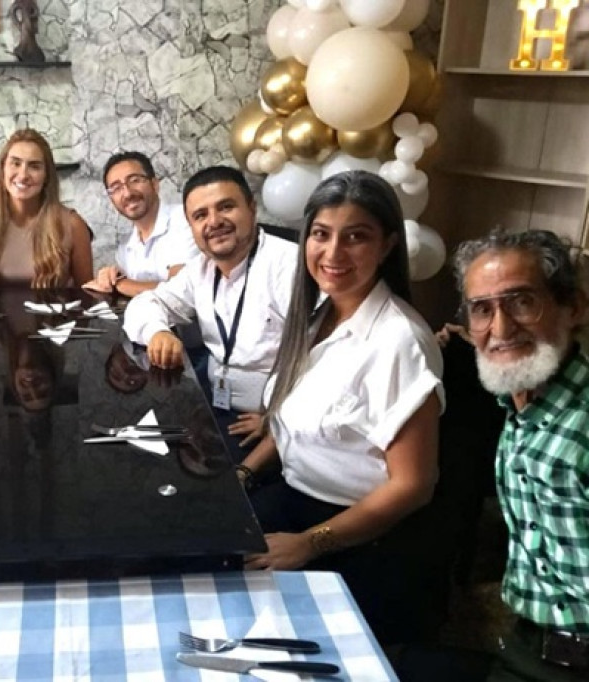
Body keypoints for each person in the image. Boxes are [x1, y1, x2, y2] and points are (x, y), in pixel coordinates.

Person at [240, 170, 444, 644]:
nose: (333, 254)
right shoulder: (320, 314)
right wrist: (245, 473)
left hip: (361, 539)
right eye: (321, 234)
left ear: (388, 245)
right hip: (293, 503)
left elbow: (414, 486)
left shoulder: (398, 341)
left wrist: (310, 545)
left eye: (356, 237)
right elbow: (299, 419)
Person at [453, 229, 588, 681]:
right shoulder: (520, 407)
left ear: (575, 307)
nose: (501, 328)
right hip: (530, 647)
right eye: (482, 310)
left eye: (522, 303)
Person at [122, 165, 296, 462]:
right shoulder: (200, 270)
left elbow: (322, 356)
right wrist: (158, 332)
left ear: (252, 209)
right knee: (137, 454)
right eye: (200, 216)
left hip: (269, 424)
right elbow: (145, 304)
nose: (214, 222)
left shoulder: (287, 266)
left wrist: (279, 418)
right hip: (217, 407)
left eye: (226, 207)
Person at [0, 128, 93, 288]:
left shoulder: (73, 225)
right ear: (3, 169)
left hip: (56, 313)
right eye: (15, 163)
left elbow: (88, 295)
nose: (23, 174)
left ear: (47, 175)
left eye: (34, 166)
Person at [84, 151, 200, 297]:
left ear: (155, 184)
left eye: (134, 180)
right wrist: (111, 278)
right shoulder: (125, 249)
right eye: (116, 188)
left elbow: (182, 291)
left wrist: (122, 284)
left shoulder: (185, 220)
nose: (127, 193)